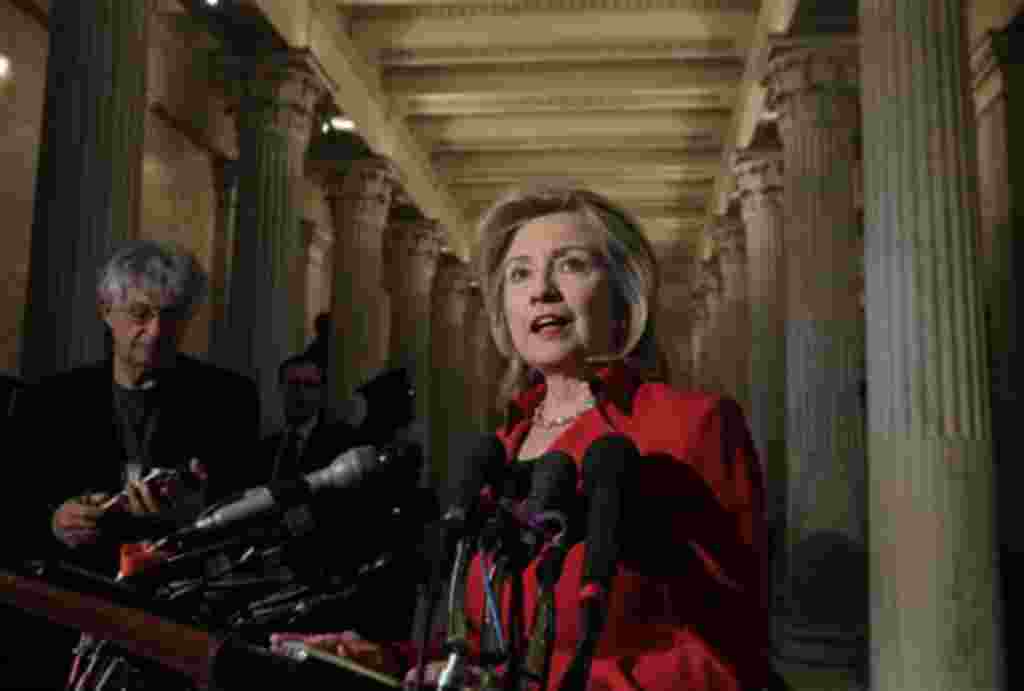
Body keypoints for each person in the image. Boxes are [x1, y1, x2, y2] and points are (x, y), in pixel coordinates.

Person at [271, 182, 769, 691]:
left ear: (626, 297)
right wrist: (392, 660)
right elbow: (488, 642)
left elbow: (729, 663)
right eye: (519, 274)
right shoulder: (501, 447)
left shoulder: (693, 427)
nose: (541, 290)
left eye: (571, 265)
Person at [10, 239, 261, 574]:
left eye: (171, 315)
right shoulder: (49, 400)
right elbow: (12, 507)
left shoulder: (229, 400)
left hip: (179, 592)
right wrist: (55, 522)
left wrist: (199, 513)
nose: (156, 332)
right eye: (140, 313)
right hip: (77, 589)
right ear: (105, 310)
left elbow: (250, 516)